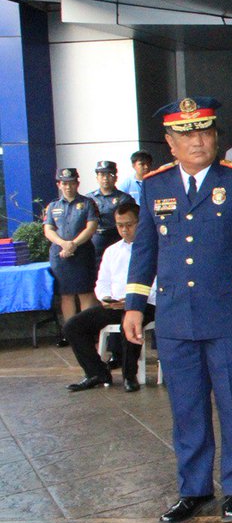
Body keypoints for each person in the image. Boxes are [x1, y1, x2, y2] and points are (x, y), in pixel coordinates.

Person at [123, 96, 232, 523]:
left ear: (216, 136)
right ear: (170, 143)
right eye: (187, 135)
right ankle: (193, 488)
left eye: (205, 132)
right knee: (187, 408)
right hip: (175, 317)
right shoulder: (155, 186)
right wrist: (135, 305)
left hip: (229, 314)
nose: (198, 141)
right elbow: (145, 250)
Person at [64, 202, 154, 392]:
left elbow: (160, 283)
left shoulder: (154, 249)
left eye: (129, 225)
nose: (124, 230)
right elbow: (102, 282)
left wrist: (133, 301)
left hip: (146, 304)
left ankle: (130, 375)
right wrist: (106, 298)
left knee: (128, 322)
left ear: (141, 222)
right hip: (115, 304)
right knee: (73, 325)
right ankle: (96, 372)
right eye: (120, 225)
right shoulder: (112, 251)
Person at [43, 168, 100, 326]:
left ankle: (88, 331)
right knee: (66, 294)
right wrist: (64, 244)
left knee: (85, 292)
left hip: (82, 254)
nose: (68, 187)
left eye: (72, 183)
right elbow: (48, 229)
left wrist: (74, 244)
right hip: (60, 255)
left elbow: (91, 227)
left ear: (77, 184)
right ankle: (71, 331)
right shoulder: (52, 206)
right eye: (65, 183)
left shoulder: (88, 203)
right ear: (59, 185)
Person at [88, 161, 134, 261]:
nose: (105, 178)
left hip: (117, 237)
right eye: (102, 175)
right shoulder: (89, 199)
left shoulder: (124, 199)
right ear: (97, 178)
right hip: (96, 238)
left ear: (116, 178)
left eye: (110, 174)